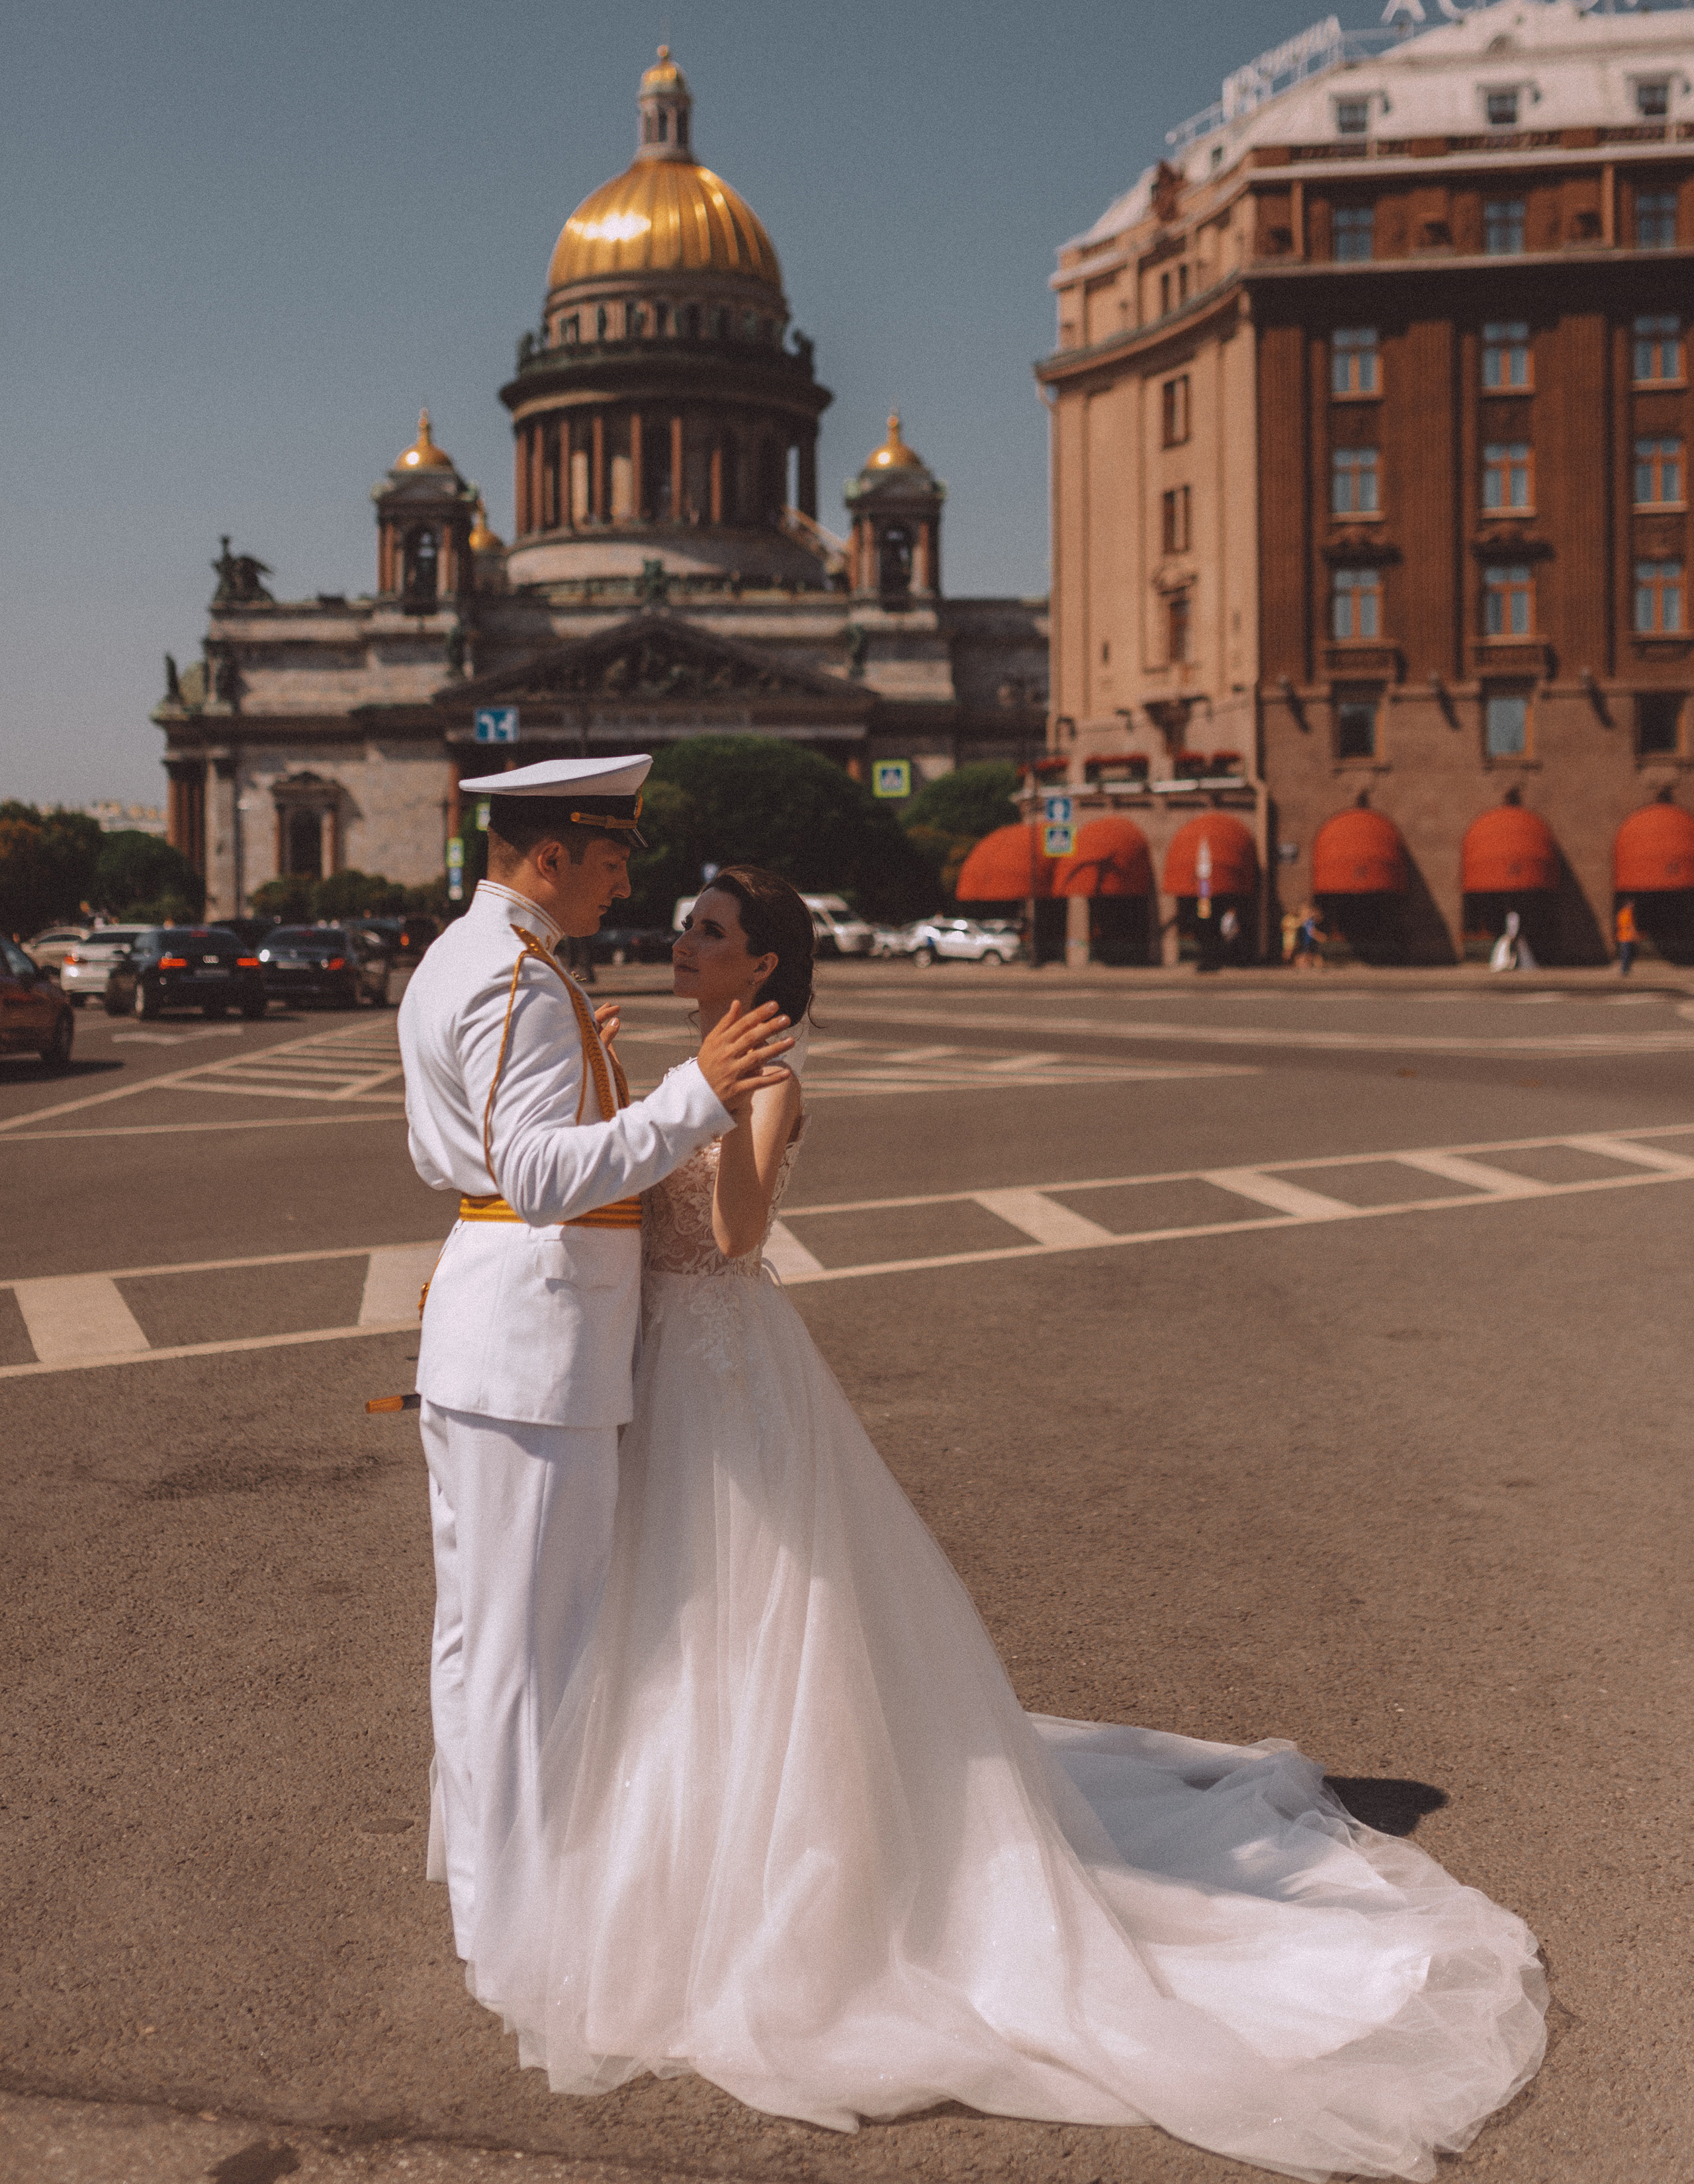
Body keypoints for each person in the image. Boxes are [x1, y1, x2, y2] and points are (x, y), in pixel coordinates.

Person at [464, 866, 1546, 2179]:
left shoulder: (772, 1080)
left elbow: (735, 1235)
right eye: (687, 926)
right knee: (668, 1623)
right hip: (662, 1368)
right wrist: (624, 1092)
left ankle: (782, 1892)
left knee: (751, 1617)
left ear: (761, 966)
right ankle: (666, 1870)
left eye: (710, 932)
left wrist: (705, 1097)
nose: (683, 942)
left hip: (727, 1374)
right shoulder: (684, 1063)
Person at [396, 758, 793, 1972]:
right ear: (553, 854)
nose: (626, 884)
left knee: (479, 1637)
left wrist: (600, 1078)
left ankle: (483, 1886)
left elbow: (466, 1151)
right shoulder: (518, 978)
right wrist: (690, 1095)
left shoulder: (468, 957)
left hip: (491, 1330)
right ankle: (519, 1927)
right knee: (534, 1652)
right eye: (612, 858)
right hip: (535, 1344)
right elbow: (536, 1176)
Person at [1615, 897, 1638, 977]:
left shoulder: (1621, 913)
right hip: (1626, 937)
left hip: (1623, 937)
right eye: (1631, 904)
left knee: (1627, 954)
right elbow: (1629, 925)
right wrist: (1634, 935)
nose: (1633, 905)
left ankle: (1626, 969)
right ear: (1628, 904)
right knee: (1626, 954)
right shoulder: (1627, 913)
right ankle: (1624, 970)